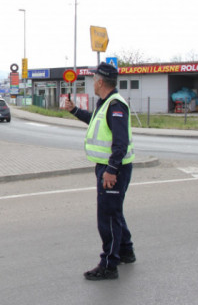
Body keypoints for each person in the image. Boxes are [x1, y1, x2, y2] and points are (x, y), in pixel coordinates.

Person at [63, 62, 136, 281]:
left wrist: (111, 170)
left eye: (94, 79)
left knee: (108, 218)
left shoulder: (115, 105)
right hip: (107, 167)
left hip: (114, 169)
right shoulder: (105, 103)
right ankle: (126, 251)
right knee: (115, 213)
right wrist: (74, 110)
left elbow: (120, 143)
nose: (93, 83)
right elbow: (94, 122)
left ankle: (109, 265)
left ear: (101, 82)